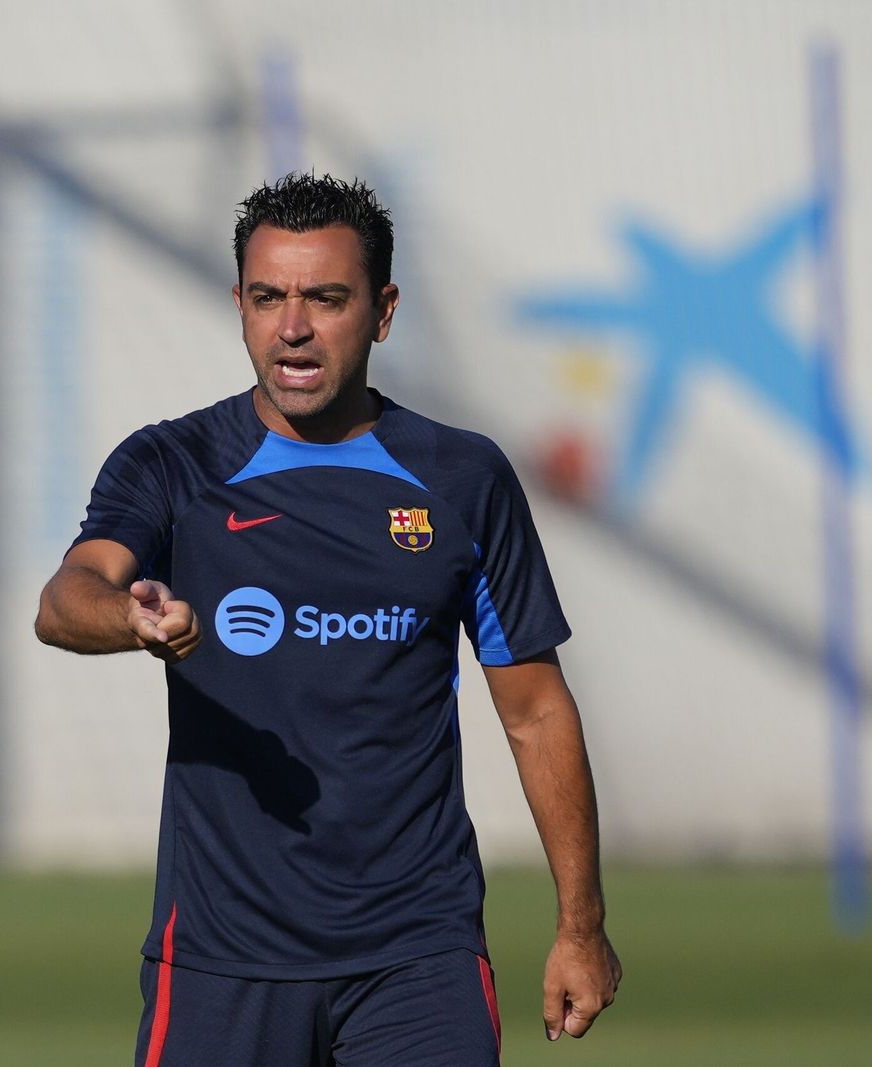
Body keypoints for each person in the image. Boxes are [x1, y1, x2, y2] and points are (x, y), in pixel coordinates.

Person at [36, 173, 620, 1066]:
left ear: (382, 311)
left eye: (326, 297)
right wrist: (129, 615)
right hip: (221, 961)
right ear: (239, 304)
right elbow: (64, 599)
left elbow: (535, 707)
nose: (293, 326)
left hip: (417, 954)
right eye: (268, 297)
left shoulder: (463, 479)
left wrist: (581, 924)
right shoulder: (173, 463)